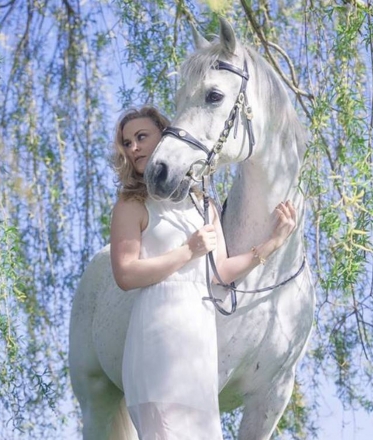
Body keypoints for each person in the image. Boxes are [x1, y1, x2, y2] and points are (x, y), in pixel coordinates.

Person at [110, 106, 297, 439]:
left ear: (165, 138)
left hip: (198, 345)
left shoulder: (204, 205)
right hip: (157, 338)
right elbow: (126, 275)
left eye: (141, 137)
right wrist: (187, 251)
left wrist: (272, 243)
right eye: (127, 142)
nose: (134, 147)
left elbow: (220, 274)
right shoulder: (131, 204)